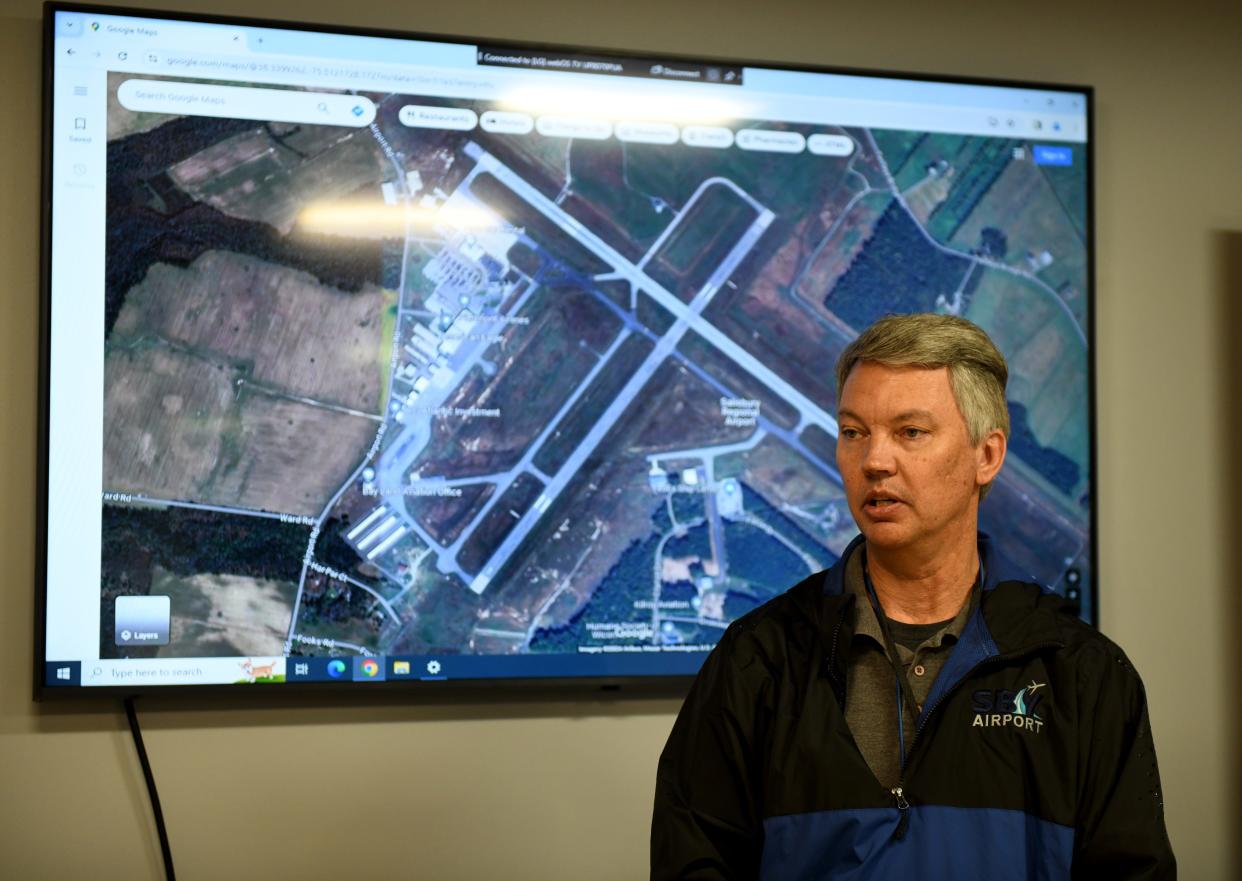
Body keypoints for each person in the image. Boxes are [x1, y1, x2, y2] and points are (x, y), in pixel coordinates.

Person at [650, 313, 1175, 880]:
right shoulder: (757, 662)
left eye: (910, 432)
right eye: (854, 432)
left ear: (987, 456)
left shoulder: (1083, 675)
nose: (874, 461)